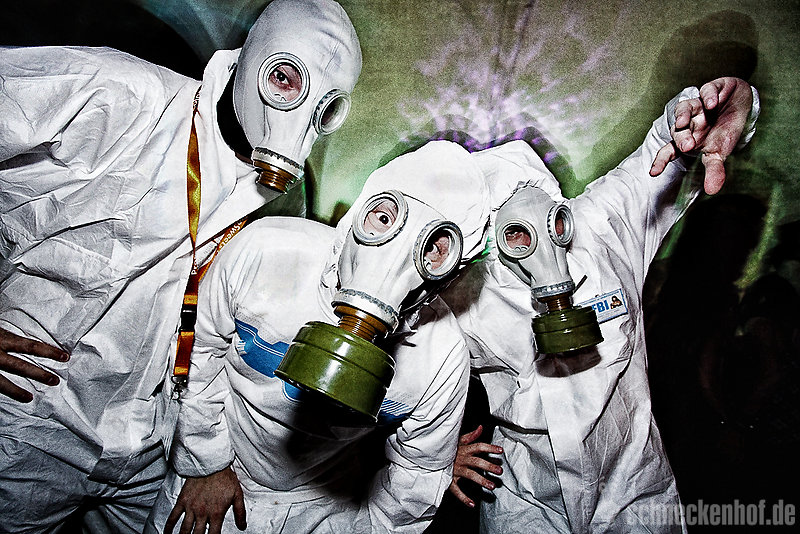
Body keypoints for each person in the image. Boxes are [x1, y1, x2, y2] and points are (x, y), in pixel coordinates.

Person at [0, 0, 361, 531]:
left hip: (154, 450)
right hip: (32, 421)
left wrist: (206, 457)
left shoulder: (285, 202)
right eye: (284, 79)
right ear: (251, 59)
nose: (297, 115)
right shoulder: (119, 95)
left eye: (324, 109)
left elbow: (254, 340)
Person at [144, 141, 513, 533]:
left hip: (325, 506)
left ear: (452, 273)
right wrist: (205, 464)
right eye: (384, 219)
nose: (396, 255)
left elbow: (417, 474)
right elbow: (196, 351)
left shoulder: (441, 356)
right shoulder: (266, 253)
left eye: (435, 248)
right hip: (216, 474)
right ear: (358, 212)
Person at [442, 77, 759, 533]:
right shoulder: (465, 293)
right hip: (529, 504)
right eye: (517, 236)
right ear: (491, 236)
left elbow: (667, 147)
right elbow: (399, 366)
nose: (542, 246)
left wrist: (715, 112)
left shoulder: (601, 229)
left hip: (636, 497)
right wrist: (431, 457)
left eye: (553, 224)